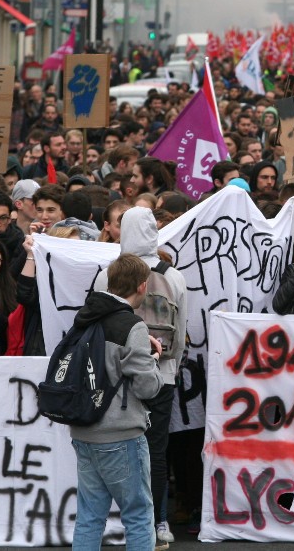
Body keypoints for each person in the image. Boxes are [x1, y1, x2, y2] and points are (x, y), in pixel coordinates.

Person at [94, 206, 188, 548]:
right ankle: (158, 521)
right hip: (161, 374)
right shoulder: (173, 276)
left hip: (116, 373)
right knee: (156, 449)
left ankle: (118, 519)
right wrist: (169, 361)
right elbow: (181, 333)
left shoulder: (107, 274)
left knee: (115, 446)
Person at [69, 253, 164, 551]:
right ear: (142, 286)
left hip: (84, 430)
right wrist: (155, 360)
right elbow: (147, 387)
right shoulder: (132, 326)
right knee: (137, 515)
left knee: (89, 516)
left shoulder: (85, 317)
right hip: (121, 433)